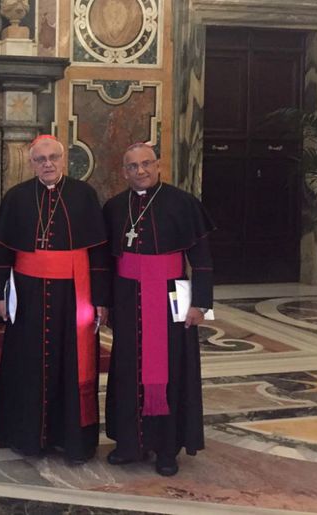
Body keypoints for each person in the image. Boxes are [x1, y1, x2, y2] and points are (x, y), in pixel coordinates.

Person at [0, 135, 111, 464]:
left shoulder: (83, 195)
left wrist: (100, 297)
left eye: (53, 157)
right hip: (27, 295)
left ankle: (70, 439)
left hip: (73, 296)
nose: (47, 163)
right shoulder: (16, 198)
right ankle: (25, 435)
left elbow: (99, 253)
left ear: (64, 160)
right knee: (25, 363)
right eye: (40, 159)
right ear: (31, 163)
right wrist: (1, 294)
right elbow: (2, 251)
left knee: (70, 364)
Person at [102, 142, 214, 476]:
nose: (141, 171)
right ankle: (129, 443)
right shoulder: (114, 207)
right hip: (126, 298)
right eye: (133, 166)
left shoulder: (183, 203)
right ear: (124, 172)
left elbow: (202, 260)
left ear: (158, 165)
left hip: (172, 295)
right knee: (125, 370)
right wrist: (105, 303)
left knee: (172, 370)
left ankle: (167, 449)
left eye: (146, 164)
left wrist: (201, 304)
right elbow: (107, 262)